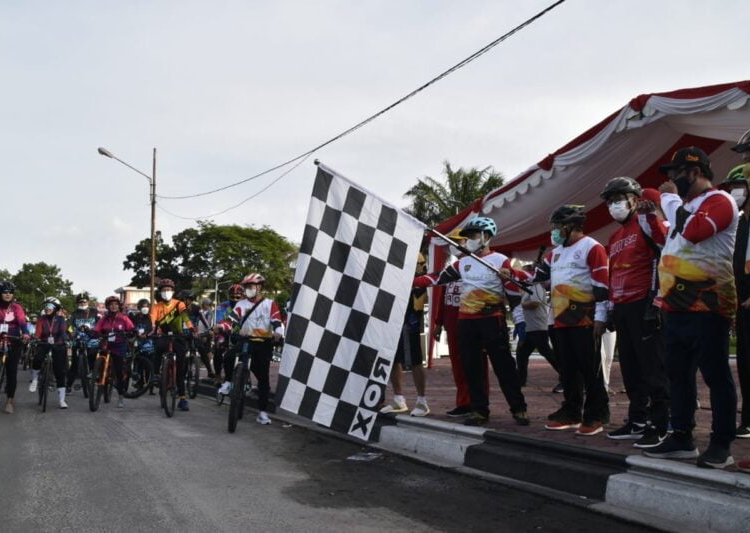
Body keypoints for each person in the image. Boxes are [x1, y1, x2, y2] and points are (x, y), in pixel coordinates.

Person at [643, 147, 738, 469]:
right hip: (675, 307)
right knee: (678, 375)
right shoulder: (682, 210)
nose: (671, 181)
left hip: (708, 306)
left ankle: (721, 444)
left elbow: (697, 233)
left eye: (676, 175)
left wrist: (667, 201)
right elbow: (671, 249)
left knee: (715, 376)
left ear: (695, 173)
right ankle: (681, 437)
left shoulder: (720, 201)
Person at [415, 216, 530, 427]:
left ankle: (519, 408)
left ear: (486, 237)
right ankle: (479, 410)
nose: (469, 240)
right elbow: (436, 278)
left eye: (474, 236)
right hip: (466, 322)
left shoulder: (500, 261)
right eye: (468, 237)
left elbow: (513, 294)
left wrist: (520, 321)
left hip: (492, 320)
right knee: (472, 368)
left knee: (504, 367)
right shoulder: (463, 263)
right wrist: (412, 281)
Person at [599, 178, 670, 447]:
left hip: (646, 304)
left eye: (619, 198)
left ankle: (661, 423)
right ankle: (637, 419)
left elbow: (665, 246)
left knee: (654, 368)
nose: (613, 205)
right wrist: (610, 309)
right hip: (623, 307)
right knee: (630, 369)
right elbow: (613, 273)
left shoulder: (647, 222)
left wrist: (651, 216)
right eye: (610, 200)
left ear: (634, 199)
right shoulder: (614, 237)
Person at [535, 205, 610, 436]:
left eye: (558, 226)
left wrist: (600, 318)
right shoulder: (555, 253)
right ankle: (572, 412)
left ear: (571, 226)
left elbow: (602, 286)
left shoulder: (592, 247)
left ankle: (596, 414)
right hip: (560, 321)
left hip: (585, 321)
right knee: (568, 371)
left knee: (591, 371)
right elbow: (537, 277)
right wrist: (512, 275)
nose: (554, 231)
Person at [215, 273, 283, 425]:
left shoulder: (269, 304)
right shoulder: (241, 305)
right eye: (246, 287)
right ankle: (227, 382)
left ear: (259, 287)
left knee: (263, 379)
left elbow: (277, 320)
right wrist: (222, 326)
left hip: (263, 343)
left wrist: (278, 332)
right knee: (229, 356)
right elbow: (232, 319)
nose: (248, 290)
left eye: (251, 286)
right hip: (245, 340)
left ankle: (262, 412)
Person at [432, 230, 487, 417]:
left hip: (472, 323)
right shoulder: (454, 268)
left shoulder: (478, 265)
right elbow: (443, 297)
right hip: (452, 325)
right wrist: (438, 323)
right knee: (458, 364)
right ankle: (463, 401)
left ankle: (478, 402)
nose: (454, 245)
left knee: (475, 364)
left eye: (458, 241)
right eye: (452, 242)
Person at [380, 253, 430, 417]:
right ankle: (398, 398)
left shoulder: (415, 252)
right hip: (390, 306)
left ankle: (422, 402)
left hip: (411, 309)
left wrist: (416, 311)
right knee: (393, 355)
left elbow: (420, 283)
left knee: (415, 356)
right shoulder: (386, 247)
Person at [150, 278, 195, 411]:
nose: (166, 292)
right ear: (160, 292)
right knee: (157, 349)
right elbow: (153, 319)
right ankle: (156, 374)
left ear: (173, 291)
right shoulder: (157, 306)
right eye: (164, 290)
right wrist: (152, 329)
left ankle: (182, 398)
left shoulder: (179, 304)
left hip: (178, 336)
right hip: (163, 335)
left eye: (168, 290)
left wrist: (191, 328)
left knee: (180, 370)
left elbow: (185, 316)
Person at [514, 264, 561, 390]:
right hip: (530, 328)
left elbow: (535, 303)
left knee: (547, 352)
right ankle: (520, 380)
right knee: (522, 353)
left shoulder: (536, 287)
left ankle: (565, 375)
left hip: (538, 327)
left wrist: (522, 304)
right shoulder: (528, 288)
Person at [92, 296, 135, 408]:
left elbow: (131, 328)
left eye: (116, 304)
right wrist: (94, 333)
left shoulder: (124, 318)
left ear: (119, 306)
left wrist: (131, 332)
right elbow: (97, 329)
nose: (113, 306)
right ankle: (98, 375)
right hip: (106, 344)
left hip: (119, 345)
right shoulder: (104, 318)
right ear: (108, 307)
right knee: (97, 358)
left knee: (119, 370)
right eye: (111, 304)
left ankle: (121, 396)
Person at [30, 297, 69, 409]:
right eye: (46, 306)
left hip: (58, 345)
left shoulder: (61, 319)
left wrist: (64, 340)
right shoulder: (41, 319)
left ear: (56, 308)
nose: (47, 308)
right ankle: (35, 379)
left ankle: (62, 400)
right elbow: (38, 332)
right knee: (37, 358)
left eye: (50, 306)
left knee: (59, 371)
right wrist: (36, 338)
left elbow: (63, 332)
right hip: (44, 343)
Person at [0, 281, 30, 413]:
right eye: (5, 292)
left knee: (12, 372)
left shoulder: (17, 307)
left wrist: (26, 333)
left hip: (14, 340)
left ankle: (9, 401)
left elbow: (22, 322)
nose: (8, 294)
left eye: (10, 292)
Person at [66, 292, 100, 393]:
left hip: (92, 340)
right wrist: (71, 333)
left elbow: (100, 324)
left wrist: (98, 333)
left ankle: (95, 378)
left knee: (93, 360)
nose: (82, 303)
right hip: (78, 340)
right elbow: (68, 325)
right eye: (80, 302)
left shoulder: (94, 312)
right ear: (77, 303)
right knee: (74, 365)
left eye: (84, 301)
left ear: (88, 302)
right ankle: (69, 386)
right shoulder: (74, 314)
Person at [213, 284, 244, 385]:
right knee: (218, 348)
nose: (235, 299)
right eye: (232, 297)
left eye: (238, 297)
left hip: (242, 334)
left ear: (243, 296)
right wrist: (220, 329)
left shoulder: (247, 306)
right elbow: (218, 320)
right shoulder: (222, 306)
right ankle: (218, 376)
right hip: (225, 333)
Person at [192, 297, 216, 379]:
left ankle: (209, 369)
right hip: (197, 333)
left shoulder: (210, 313)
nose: (208, 306)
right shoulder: (199, 312)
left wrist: (207, 334)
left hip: (206, 334)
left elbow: (210, 325)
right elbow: (196, 322)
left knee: (207, 351)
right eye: (207, 304)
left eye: (209, 305)